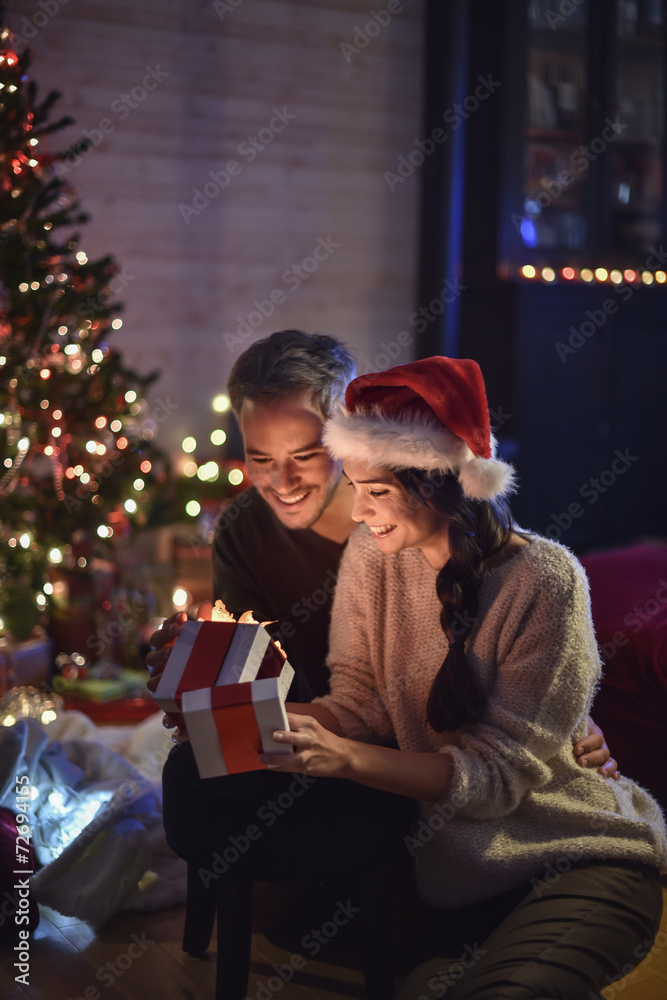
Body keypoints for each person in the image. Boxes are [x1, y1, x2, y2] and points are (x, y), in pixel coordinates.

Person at [254, 355, 666, 998]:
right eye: (356, 487)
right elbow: (360, 700)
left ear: (439, 485)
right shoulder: (374, 555)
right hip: (460, 886)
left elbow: (494, 778)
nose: (359, 512)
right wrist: (254, 718)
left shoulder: (545, 581)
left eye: (377, 491)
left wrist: (348, 759)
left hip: (576, 857)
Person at [148, 329, 616, 775]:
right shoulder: (254, 533)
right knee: (192, 774)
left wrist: (565, 721)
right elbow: (289, 687)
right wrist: (196, 677)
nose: (282, 482)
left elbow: (518, 627)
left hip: (414, 760)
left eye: (306, 455)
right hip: (329, 732)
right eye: (260, 459)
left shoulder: (430, 529)